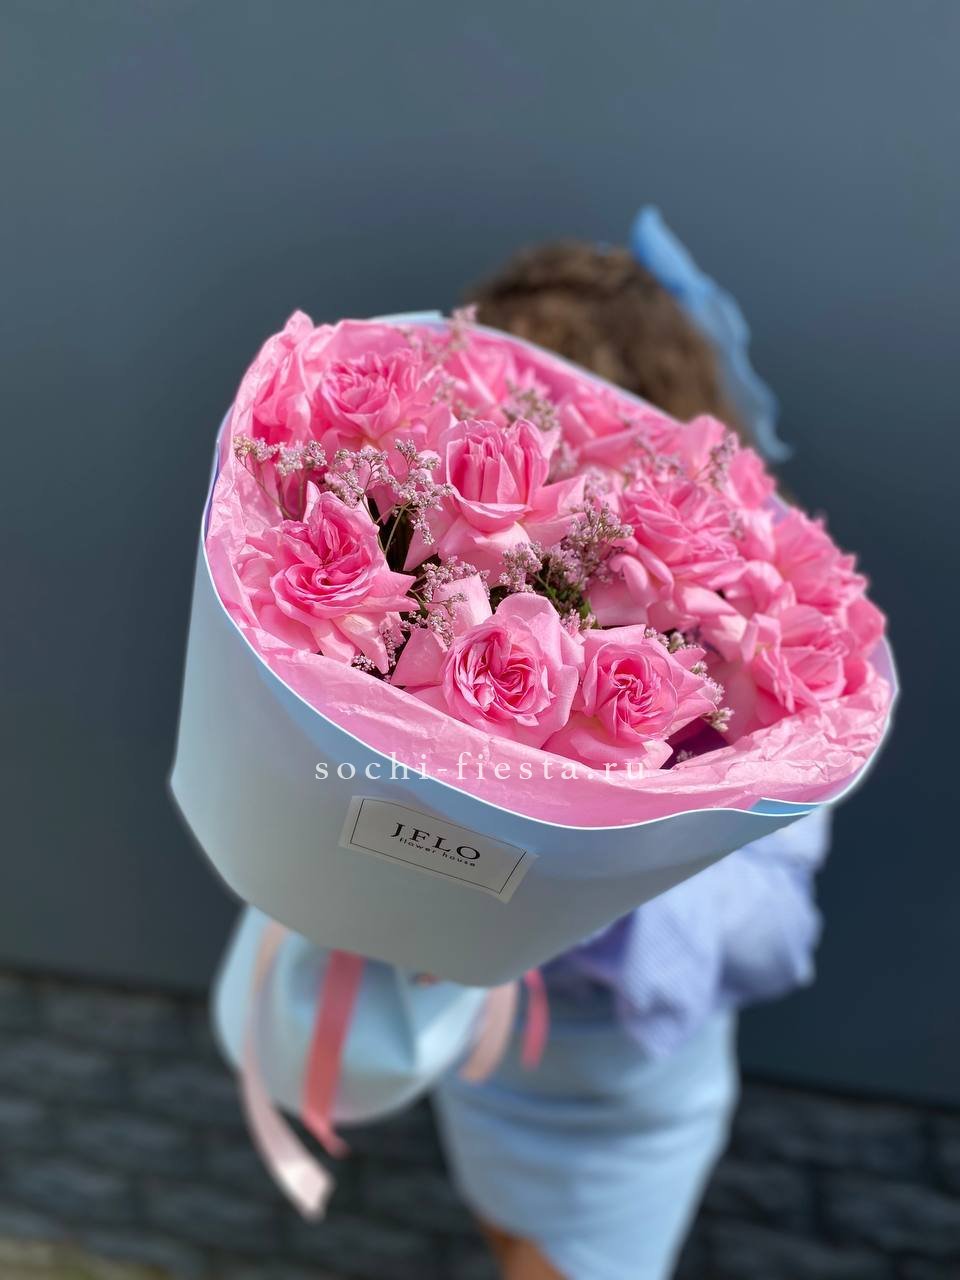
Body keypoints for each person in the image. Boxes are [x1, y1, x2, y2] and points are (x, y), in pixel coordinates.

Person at [431, 210, 829, 1280]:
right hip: (479, 1059)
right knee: (505, 1236)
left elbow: (779, 934)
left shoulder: (764, 640)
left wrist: (587, 883)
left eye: (551, 418)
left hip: (623, 1103)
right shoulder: (441, 589)